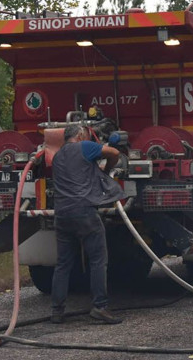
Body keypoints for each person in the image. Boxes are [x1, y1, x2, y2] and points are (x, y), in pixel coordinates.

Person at [50, 124, 124, 325]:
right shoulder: (84, 147)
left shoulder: (57, 156)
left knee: (63, 264)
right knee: (98, 260)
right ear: (81, 135)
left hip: (62, 214)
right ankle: (100, 307)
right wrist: (107, 170)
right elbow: (114, 152)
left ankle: (57, 311)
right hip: (83, 212)